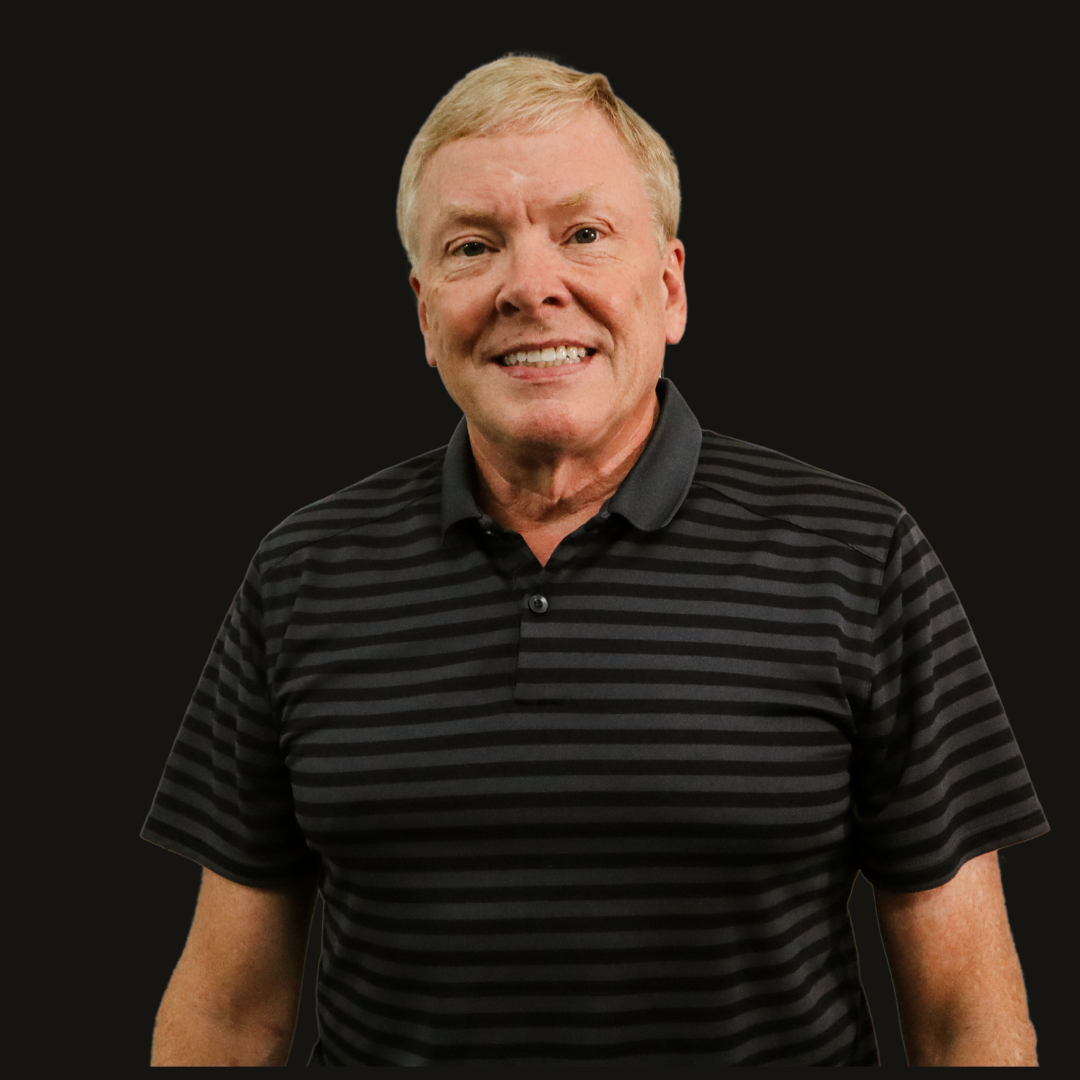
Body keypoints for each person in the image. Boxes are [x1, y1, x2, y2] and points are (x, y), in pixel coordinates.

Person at [143, 56, 1048, 1067]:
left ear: (668, 289)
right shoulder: (300, 573)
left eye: (583, 234)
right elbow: (225, 1017)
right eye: (474, 246)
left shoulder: (862, 557)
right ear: (423, 313)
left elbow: (968, 1023)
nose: (532, 287)